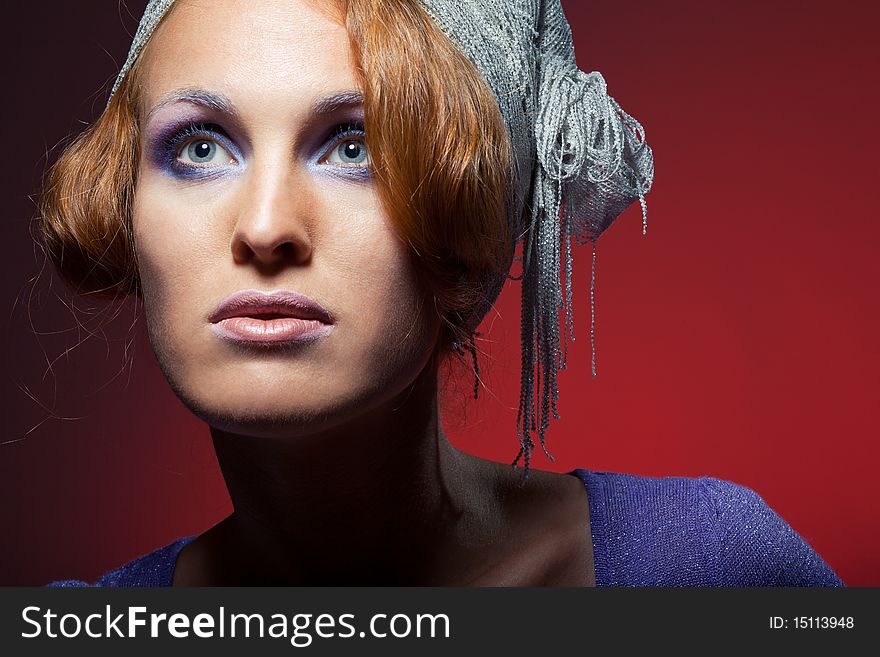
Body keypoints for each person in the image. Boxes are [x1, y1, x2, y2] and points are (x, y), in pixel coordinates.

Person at [40, 0, 843, 586]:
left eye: (357, 146)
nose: (265, 226)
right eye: (201, 147)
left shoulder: (706, 568)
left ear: (476, 217)